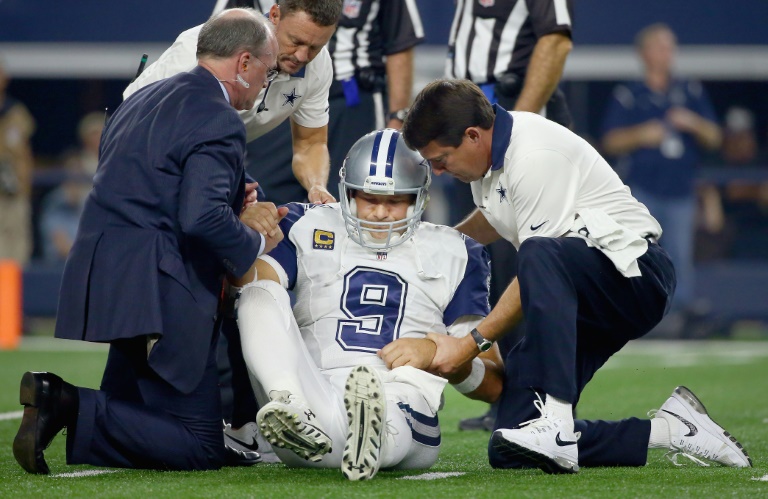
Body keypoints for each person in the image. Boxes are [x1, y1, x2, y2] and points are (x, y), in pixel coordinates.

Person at [400, 79, 752, 474]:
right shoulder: (489, 156)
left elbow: (539, 265)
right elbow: (497, 216)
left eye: (441, 159)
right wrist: (437, 244)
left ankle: (558, 422)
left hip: (637, 274)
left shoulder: (533, 153)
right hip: (583, 290)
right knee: (509, 444)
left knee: (537, 253)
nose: (439, 171)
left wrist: (470, 344)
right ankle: (671, 430)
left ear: (473, 135)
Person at [13, 9, 286, 474]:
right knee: (200, 443)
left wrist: (228, 187)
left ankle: (75, 408)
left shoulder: (143, 96)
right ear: (244, 63)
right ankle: (65, 402)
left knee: (133, 406)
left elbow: (143, 175)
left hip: (106, 269)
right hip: (161, 283)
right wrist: (255, 240)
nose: (268, 81)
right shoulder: (220, 117)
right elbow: (201, 218)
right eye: (269, 67)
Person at [230, 129, 503, 480]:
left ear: (419, 198)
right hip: (310, 392)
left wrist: (437, 352)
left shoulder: (457, 251)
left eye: (394, 201)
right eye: (368, 198)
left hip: (402, 394)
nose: (379, 214)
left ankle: (371, 435)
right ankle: (292, 406)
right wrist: (243, 232)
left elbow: (492, 383)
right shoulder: (307, 223)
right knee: (258, 291)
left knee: (394, 410)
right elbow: (243, 285)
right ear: (347, 193)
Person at [444, 0, 574, 430]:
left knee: (530, 262)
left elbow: (555, 41)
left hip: (508, 122)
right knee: (489, 261)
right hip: (475, 129)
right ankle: (512, 397)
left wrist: (517, 123)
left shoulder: (517, 134)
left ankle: (536, 401)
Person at [126, 0, 342, 205]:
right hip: (144, 153)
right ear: (275, 15)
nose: (303, 56)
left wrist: (317, 187)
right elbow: (139, 124)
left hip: (212, 157)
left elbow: (311, 144)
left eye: (315, 47)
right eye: (296, 41)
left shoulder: (319, 66)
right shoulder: (200, 47)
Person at [601, 23, 722, 332]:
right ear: (644, 53)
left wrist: (692, 122)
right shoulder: (630, 94)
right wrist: (642, 134)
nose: (667, 53)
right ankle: (642, 317)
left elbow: (714, 137)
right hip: (642, 188)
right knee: (640, 253)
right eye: (660, 46)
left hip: (681, 188)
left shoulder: (688, 90)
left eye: (670, 47)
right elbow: (610, 141)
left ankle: (679, 319)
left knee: (680, 255)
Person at [0, 58, 36, 266]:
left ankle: (14, 296)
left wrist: (25, 185)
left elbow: (25, 153)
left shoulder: (16, 112)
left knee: (18, 249)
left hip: (14, 190)